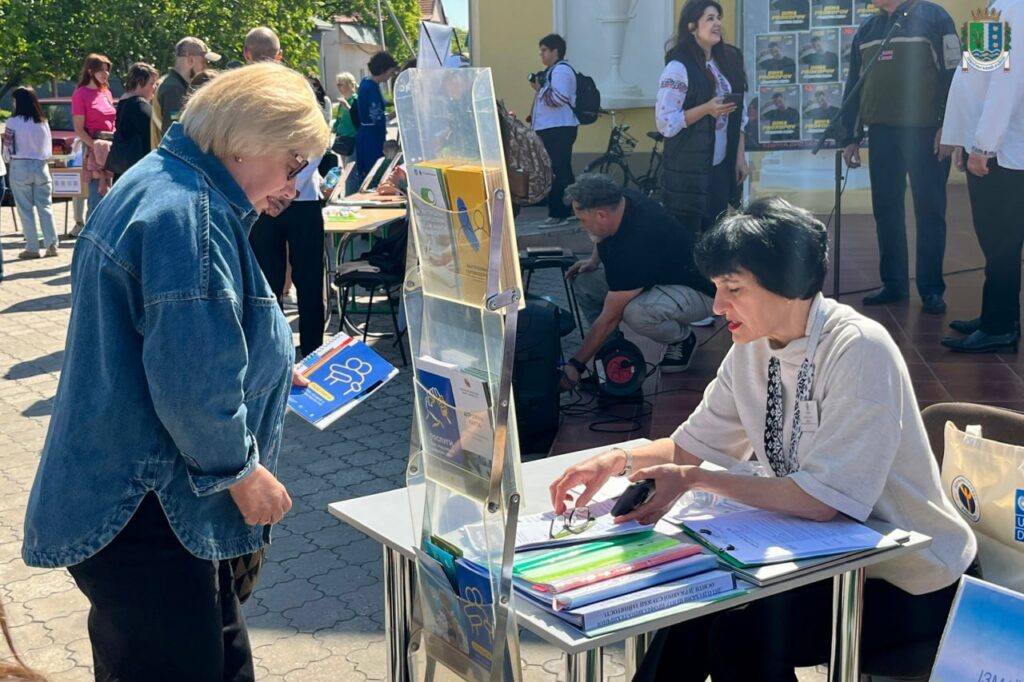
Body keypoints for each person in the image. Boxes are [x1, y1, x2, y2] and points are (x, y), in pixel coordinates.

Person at [549, 197, 976, 680]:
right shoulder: (752, 346)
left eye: (733, 289)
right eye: (716, 288)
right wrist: (617, 459)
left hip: (910, 580)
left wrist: (692, 480)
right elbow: (690, 446)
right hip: (825, 559)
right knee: (689, 601)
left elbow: (822, 501)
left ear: (789, 282)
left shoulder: (858, 348)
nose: (717, 306)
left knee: (739, 635)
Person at [21, 62, 329, 680]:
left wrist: (264, 371)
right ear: (246, 142)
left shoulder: (166, 185)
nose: (296, 183)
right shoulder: (192, 215)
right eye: (294, 162)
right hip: (151, 512)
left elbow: (173, 339)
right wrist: (243, 474)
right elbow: (191, 387)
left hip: (142, 508)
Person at [840, 0, 959, 314]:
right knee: (886, 209)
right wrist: (851, 137)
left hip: (927, 133)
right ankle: (893, 283)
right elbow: (855, 85)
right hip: (882, 134)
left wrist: (949, 126)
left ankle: (931, 288)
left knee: (929, 210)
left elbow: (955, 75)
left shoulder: (935, 17)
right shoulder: (867, 29)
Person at [561, 173, 715, 384]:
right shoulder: (619, 199)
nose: (582, 226)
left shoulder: (637, 243)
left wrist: (575, 365)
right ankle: (610, 347)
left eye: (583, 220)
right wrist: (594, 261)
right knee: (585, 280)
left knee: (636, 312)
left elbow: (610, 317)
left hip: (698, 292)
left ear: (601, 215)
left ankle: (682, 339)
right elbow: (600, 235)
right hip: (657, 275)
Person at [938, 0, 1023, 354]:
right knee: (994, 241)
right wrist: (965, 139)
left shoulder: (1013, 7)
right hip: (991, 145)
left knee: (1001, 243)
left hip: (1003, 152)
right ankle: (999, 315)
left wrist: (984, 144)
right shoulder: (996, 6)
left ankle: (999, 326)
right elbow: (975, 79)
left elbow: (1006, 84)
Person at [657, 0, 750, 239]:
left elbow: (739, 115)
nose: (717, 23)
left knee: (716, 234)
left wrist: (739, 157)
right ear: (692, 27)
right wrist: (706, 109)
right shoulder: (678, 67)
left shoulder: (727, 60)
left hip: (719, 165)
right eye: (710, 18)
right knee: (687, 238)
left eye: (718, 18)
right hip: (689, 168)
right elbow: (666, 122)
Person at [530, 33, 579, 228]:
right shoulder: (553, 71)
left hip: (559, 128)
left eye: (544, 50)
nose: (541, 54)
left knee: (556, 171)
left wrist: (539, 88)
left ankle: (558, 214)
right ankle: (574, 209)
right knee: (562, 170)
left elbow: (559, 99)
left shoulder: (561, 71)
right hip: (553, 127)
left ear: (555, 51)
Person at [6, 87, 59, 259]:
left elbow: (8, 147)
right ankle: (52, 244)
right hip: (41, 165)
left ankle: (32, 247)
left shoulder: (12, 122)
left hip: (20, 165)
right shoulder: (43, 121)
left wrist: (8, 160)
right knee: (45, 207)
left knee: (25, 209)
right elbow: (48, 148)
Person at [71, 53, 116, 232]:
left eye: (107, 70)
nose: (106, 74)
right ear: (90, 71)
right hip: (94, 149)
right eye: (101, 70)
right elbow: (78, 129)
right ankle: (90, 239)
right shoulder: (80, 94)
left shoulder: (106, 92)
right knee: (97, 197)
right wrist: (95, 147)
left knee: (110, 199)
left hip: (110, 148)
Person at [150, 37, 221, 147]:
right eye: (204, 62)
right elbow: (175, 135)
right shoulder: (173, 89)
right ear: (190, 60)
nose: (206, 67)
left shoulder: (171, 83)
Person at [108, 62, 159, 182]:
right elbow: (156, 133)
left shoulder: (124, 103)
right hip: (138, 173)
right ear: (140, 83)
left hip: (124, 172)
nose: (154, 88)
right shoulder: (139, 105)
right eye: (151, 83)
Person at [356, 51, 399, 179]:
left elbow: (379, 103)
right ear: (383, 70)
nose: (390, 76)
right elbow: (378, 118)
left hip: (367, 134)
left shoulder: (367, 82)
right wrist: (398, 111)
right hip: (371, 137)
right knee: (373, 172)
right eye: (390, 72)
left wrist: (393, 102)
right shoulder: (371, 88)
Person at [332, 72, 360, 195]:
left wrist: (347, 106)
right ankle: (349, 194)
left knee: (351, 172)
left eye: (341, 84)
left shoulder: (355, 100)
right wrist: (334, 129)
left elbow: (357, 118)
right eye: (337, 85)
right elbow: (339, 119)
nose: (338, 87)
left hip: (353, 140)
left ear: (349, 85)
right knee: (346, 170)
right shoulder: (342, 102)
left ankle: (350, 196)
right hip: (343, 140)